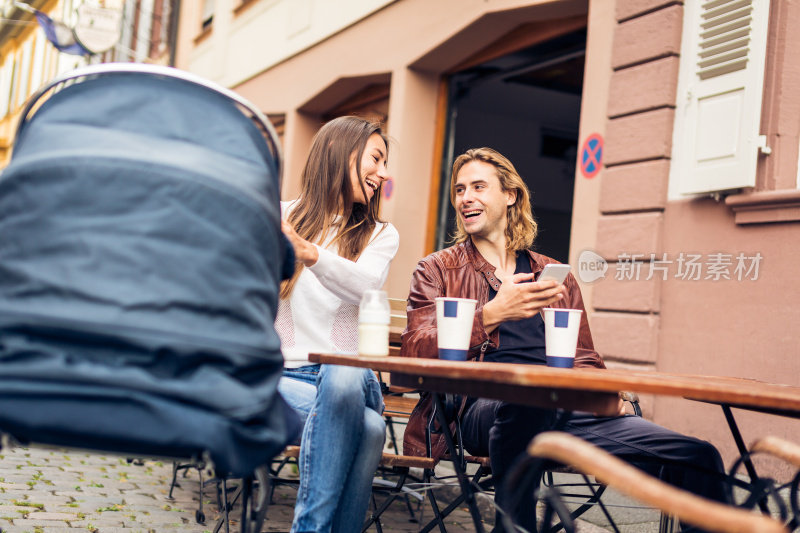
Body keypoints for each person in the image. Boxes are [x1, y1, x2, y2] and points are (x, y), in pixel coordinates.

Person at [400, 147, 730, 531]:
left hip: (562, 405)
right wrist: (492, 313)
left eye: (478, 186)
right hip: (479, 407)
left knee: (697, 457)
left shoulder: (554, 275)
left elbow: (585, 358)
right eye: (459, 190)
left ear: (511, 196)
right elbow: (414, 350)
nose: (465, 198)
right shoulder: (437, 269)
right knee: (526, 400)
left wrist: (602, 395)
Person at [277, 116, 399, 533]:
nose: (384, 173)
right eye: (377, 159)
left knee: (342, 372)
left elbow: (363, 287)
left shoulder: (381, 234)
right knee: (368, 428)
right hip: (286, 377)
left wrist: (310, 253)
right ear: (341, 152)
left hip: (351, 378)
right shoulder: (280, 218)